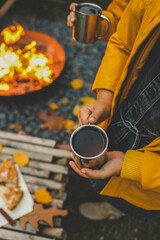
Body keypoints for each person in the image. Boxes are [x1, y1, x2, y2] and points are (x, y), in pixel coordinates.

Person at [67, 0, 160, 222]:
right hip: (124, 114)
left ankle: (117, 209)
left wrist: (131, 167)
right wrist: (105, 99)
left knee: (135, 198)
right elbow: (124, 43)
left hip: (150, 181)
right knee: (106, 167)